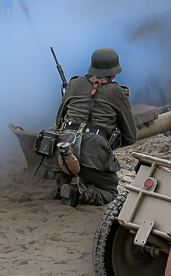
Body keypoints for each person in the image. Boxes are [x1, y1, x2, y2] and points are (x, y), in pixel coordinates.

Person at [54, 47, 137, 207]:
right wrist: (107, 144)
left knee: (64, 174)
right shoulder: (118, 92)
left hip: (64, 148)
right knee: (110, 193)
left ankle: (62, 187)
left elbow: (59, 120)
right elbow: (130, 136)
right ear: (114, 72)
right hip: (96, 152)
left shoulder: (74, 84)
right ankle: (79, 192)